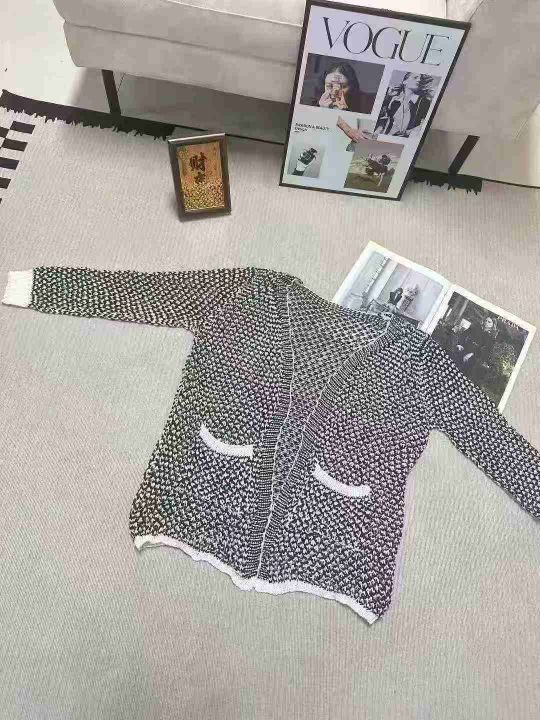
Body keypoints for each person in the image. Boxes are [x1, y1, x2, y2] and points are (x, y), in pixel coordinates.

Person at [375, 73, 436, 137]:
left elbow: (426, 123)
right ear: (405, 82)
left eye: (420, 79)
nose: (418, 80)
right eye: (415, 78)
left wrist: (408, 133)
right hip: (387, 135)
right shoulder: (394, 99)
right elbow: (384, 118)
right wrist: (378, 131)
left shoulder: (423, 101)